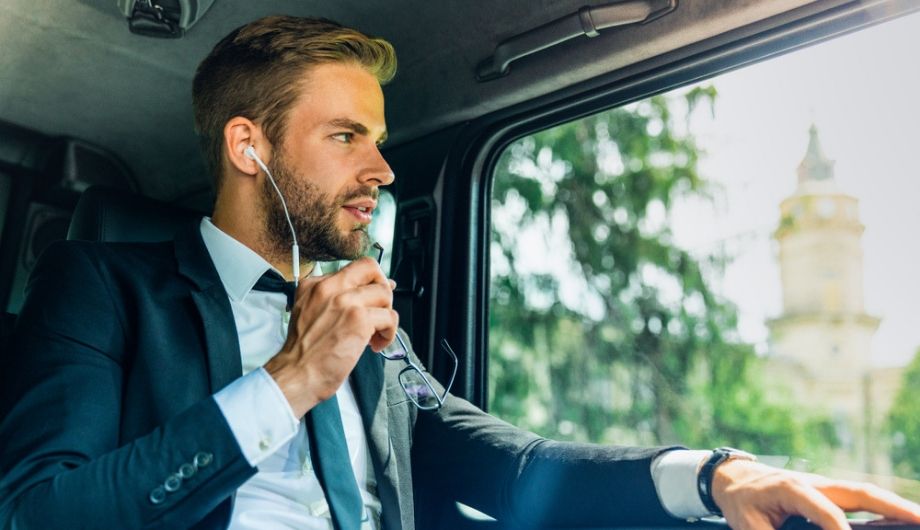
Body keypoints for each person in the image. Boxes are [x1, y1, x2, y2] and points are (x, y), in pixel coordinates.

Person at [1, 14, 918, 530]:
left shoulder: (360, 323)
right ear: (250, 147)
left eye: (380, 141)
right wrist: (290, 380)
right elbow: (38, 513)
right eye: (346, 136)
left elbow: (513, 466)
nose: (381, 169)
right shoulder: (100, 287)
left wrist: (716, 477)